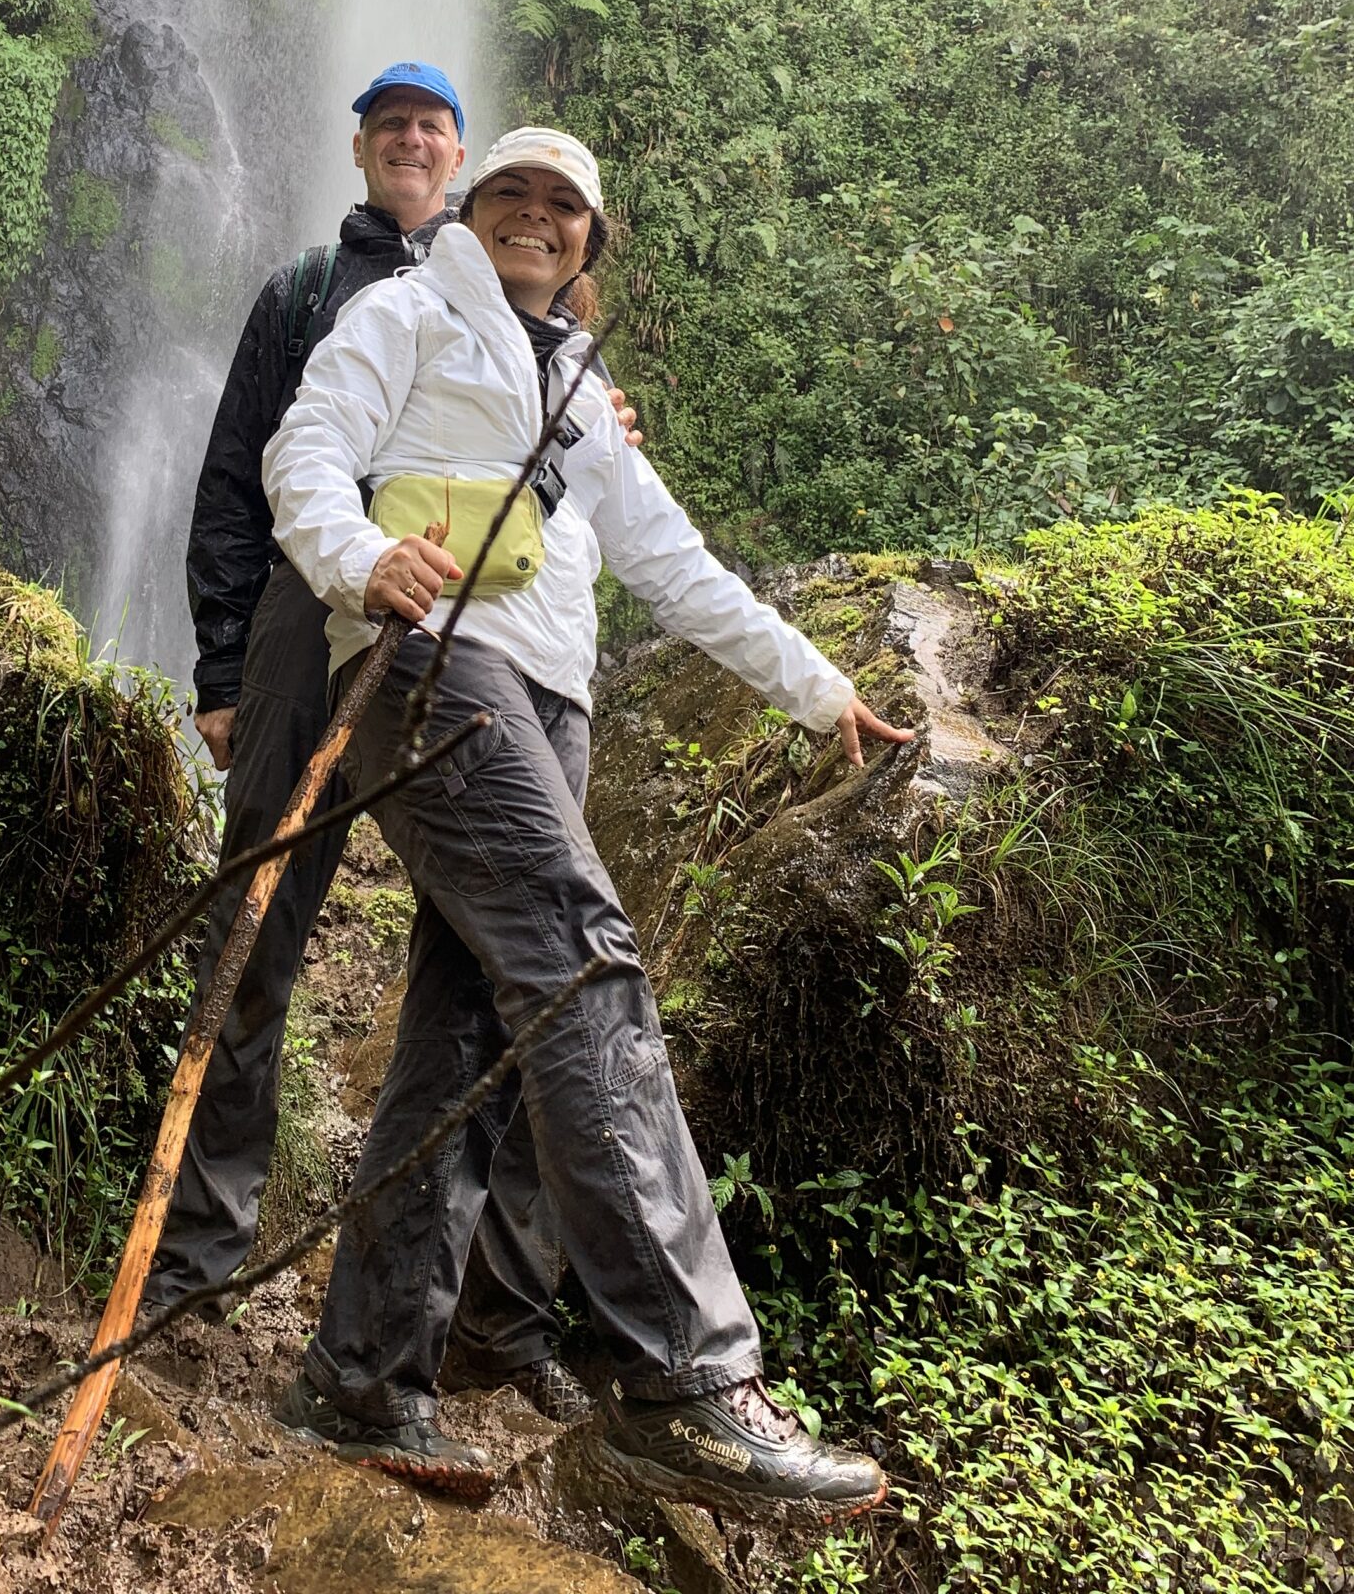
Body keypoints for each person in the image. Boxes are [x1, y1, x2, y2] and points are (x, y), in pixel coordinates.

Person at [263, 125, 913, 1520]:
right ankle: (683, 1378)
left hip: (550, 703)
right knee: (580, 953)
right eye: (514, 195)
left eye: (566, 208)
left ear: (592, 244)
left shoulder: (577, 385)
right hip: (434, 665)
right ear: (471, 209)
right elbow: (306, 448)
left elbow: (673, 566)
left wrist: (822, 691)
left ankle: (362, 1377)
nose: (538, 220)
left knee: (465, 1044)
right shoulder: (407, 309)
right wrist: (363, 556)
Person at [146, 69, 630, 1420]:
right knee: (259, 919)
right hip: (318, 615)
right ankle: (194, 1256)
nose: (414, 141)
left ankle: (465, 1312)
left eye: (436, 126)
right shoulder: (310, 291)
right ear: (360, 148)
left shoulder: (535, 321)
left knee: (485, 970)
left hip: (463, 643)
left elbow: (572, 493)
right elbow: (246, 464)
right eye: (391, 124)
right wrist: (224, 662)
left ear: (461, 161)